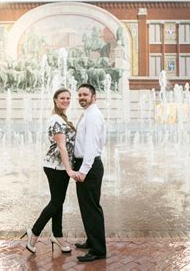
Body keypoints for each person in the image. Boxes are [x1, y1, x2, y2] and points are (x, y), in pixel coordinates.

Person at [21, 88, 79, 254]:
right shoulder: (55, 120)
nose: (66, 100)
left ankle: (57, 236)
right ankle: (34, 232)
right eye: (62, 98)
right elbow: (61, 146)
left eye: (68, 98)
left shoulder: (62, 118)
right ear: (55, 100)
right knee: (56, 202)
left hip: (59, 167)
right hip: (56, 167)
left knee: (58, 201)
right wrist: (69, 169)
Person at [72, 83, 107, 262]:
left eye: (85, 95)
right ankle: (91, 240)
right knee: (87, 207)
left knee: (92, 208)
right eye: (79, 95)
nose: (81, 98)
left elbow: (92, 146)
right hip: (87, 165)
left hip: (89, 166)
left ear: (94, 97)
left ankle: (98, 250)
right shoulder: (88, 114)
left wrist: (84, 170)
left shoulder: (93, 116)